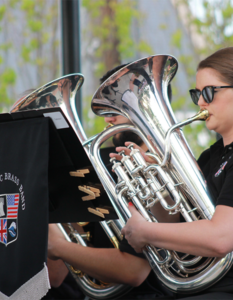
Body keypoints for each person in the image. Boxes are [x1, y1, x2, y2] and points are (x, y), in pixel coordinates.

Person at [117, 47, 233, 300]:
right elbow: (176, 220)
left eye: (209, 92)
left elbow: (221, 237)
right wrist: (155, 179)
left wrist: (146, 232)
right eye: (197, 94)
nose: (201, 102)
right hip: (205, 290)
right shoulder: (212, 156)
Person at [47, 64, 175, 299]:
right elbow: (57, 275)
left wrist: (58, 247)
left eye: (116, 106)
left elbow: (133, 271)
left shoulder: (169, 167)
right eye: (105, 110)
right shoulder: (101, 161)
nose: (108, 118)